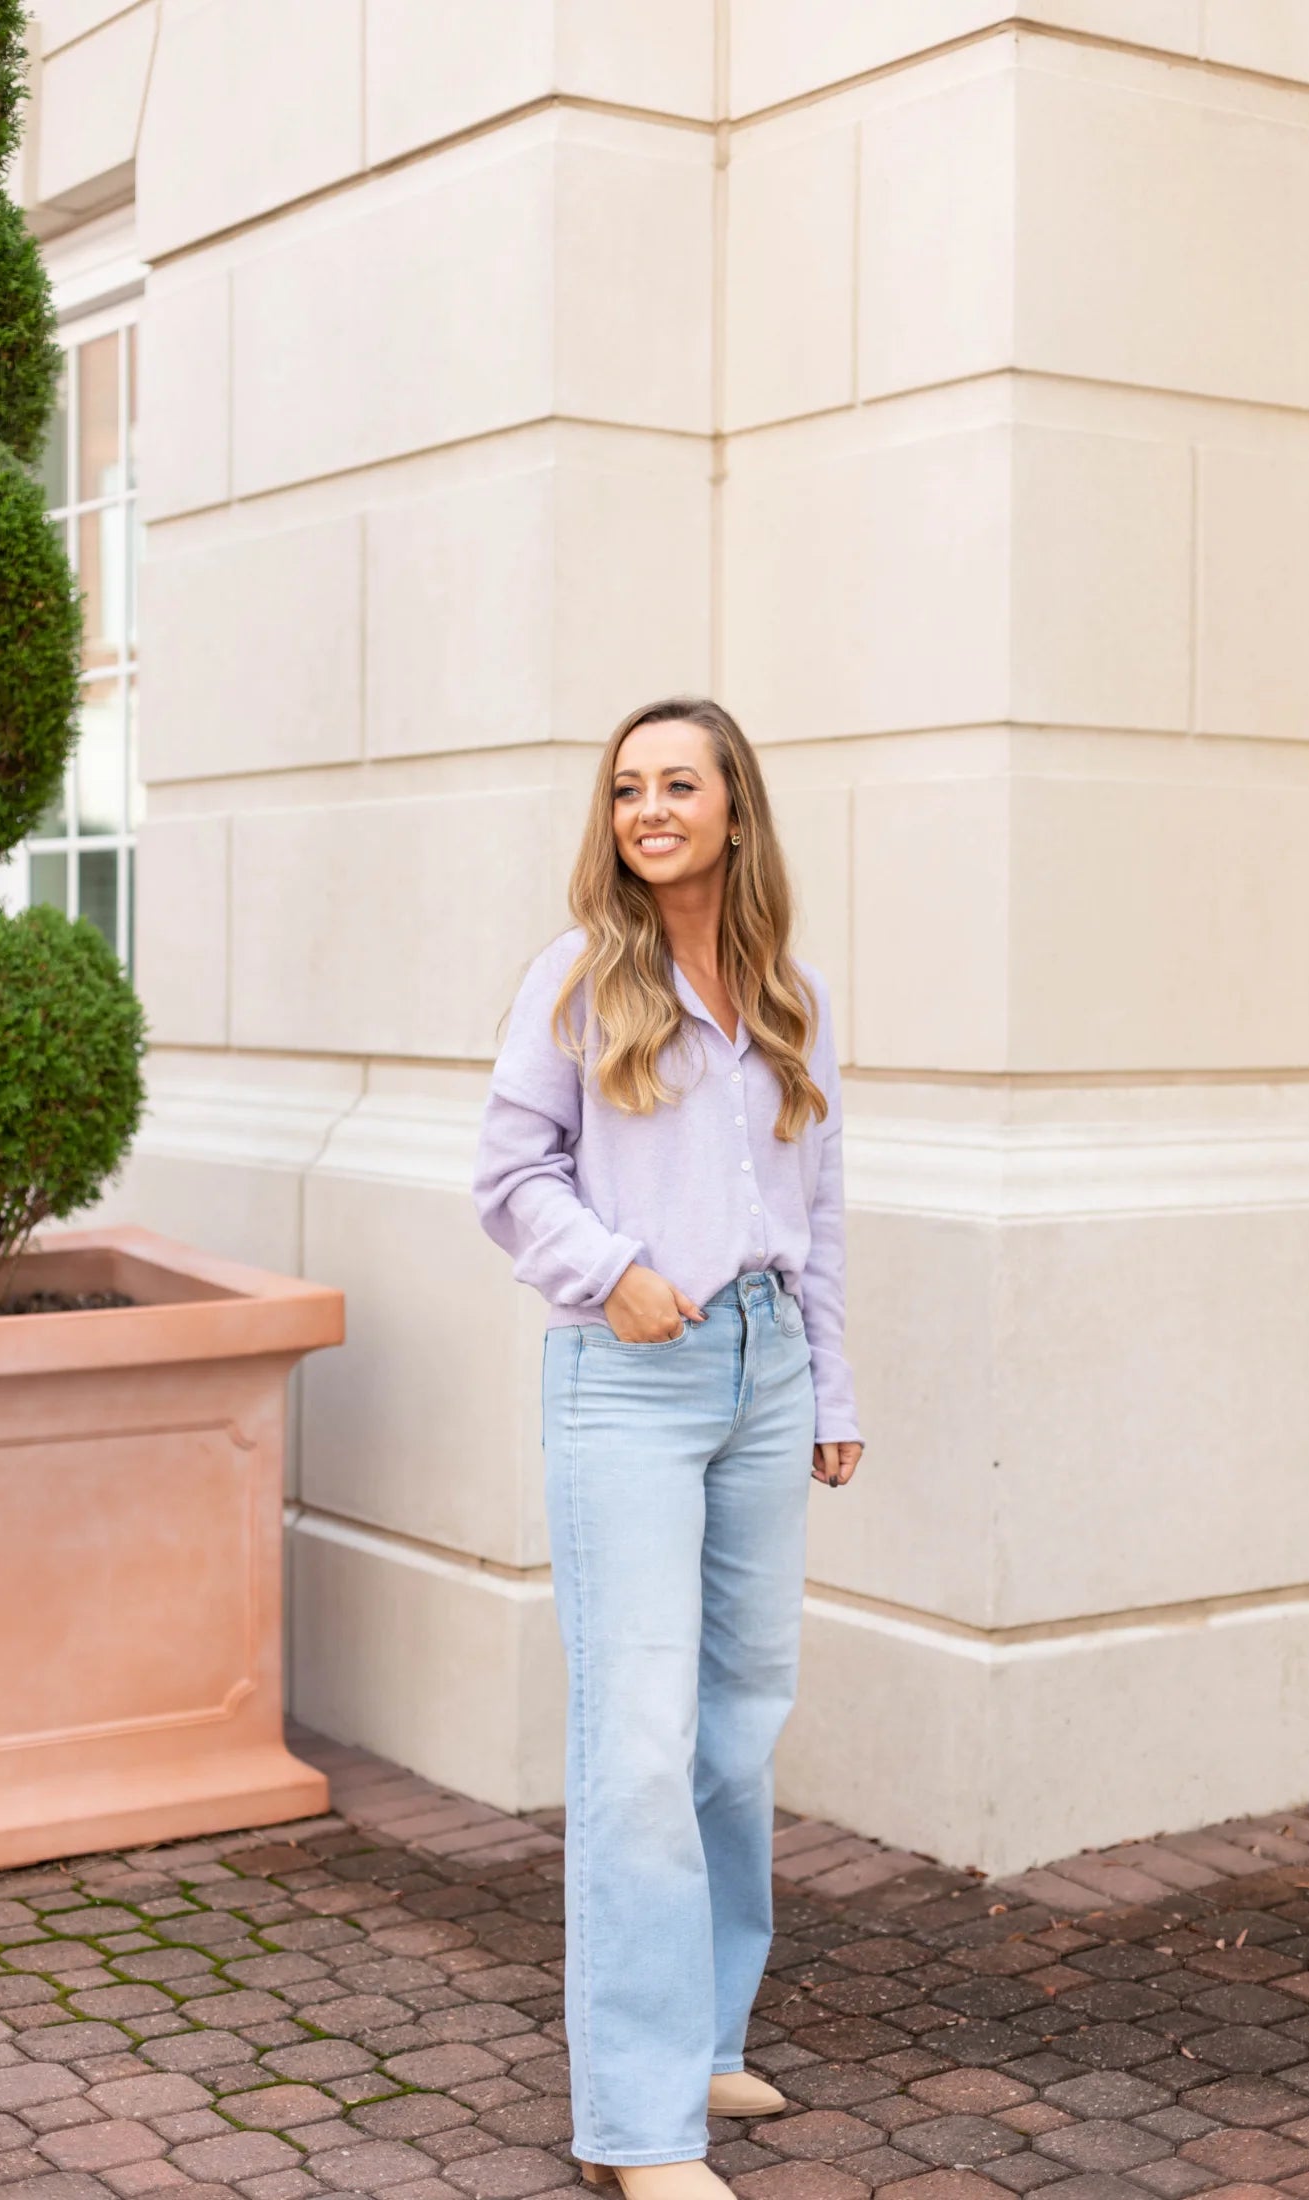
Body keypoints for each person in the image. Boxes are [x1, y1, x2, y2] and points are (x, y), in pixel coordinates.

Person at [470, 696, 864, 2200]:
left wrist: (831, 1392)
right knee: (633, 1745)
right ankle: (637, 2131)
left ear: (733, 811)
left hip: (764, 1369)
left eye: (677, 784)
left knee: (735, 1721)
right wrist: (613, 1270)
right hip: (629, 1376)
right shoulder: (576, 978)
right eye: (627, 788)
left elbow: (818, 1211)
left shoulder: (792, 995)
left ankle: (705, 2036)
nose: (648, 808)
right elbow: (510, 1177)